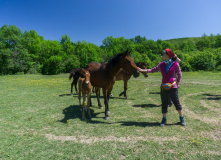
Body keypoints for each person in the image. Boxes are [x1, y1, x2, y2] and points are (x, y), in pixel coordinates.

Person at [137, 48, 186, 127]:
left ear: (168, 55)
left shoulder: (175, 64)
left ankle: (181, 118)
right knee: (164, 103)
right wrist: (142, 70)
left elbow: (179, 74)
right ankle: (164, 119)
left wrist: (177, 83)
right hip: (163, 87)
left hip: (173, 87)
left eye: (163, 54)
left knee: (176, 102)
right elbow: (152, 70)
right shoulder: (161, 64)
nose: (162, 55)